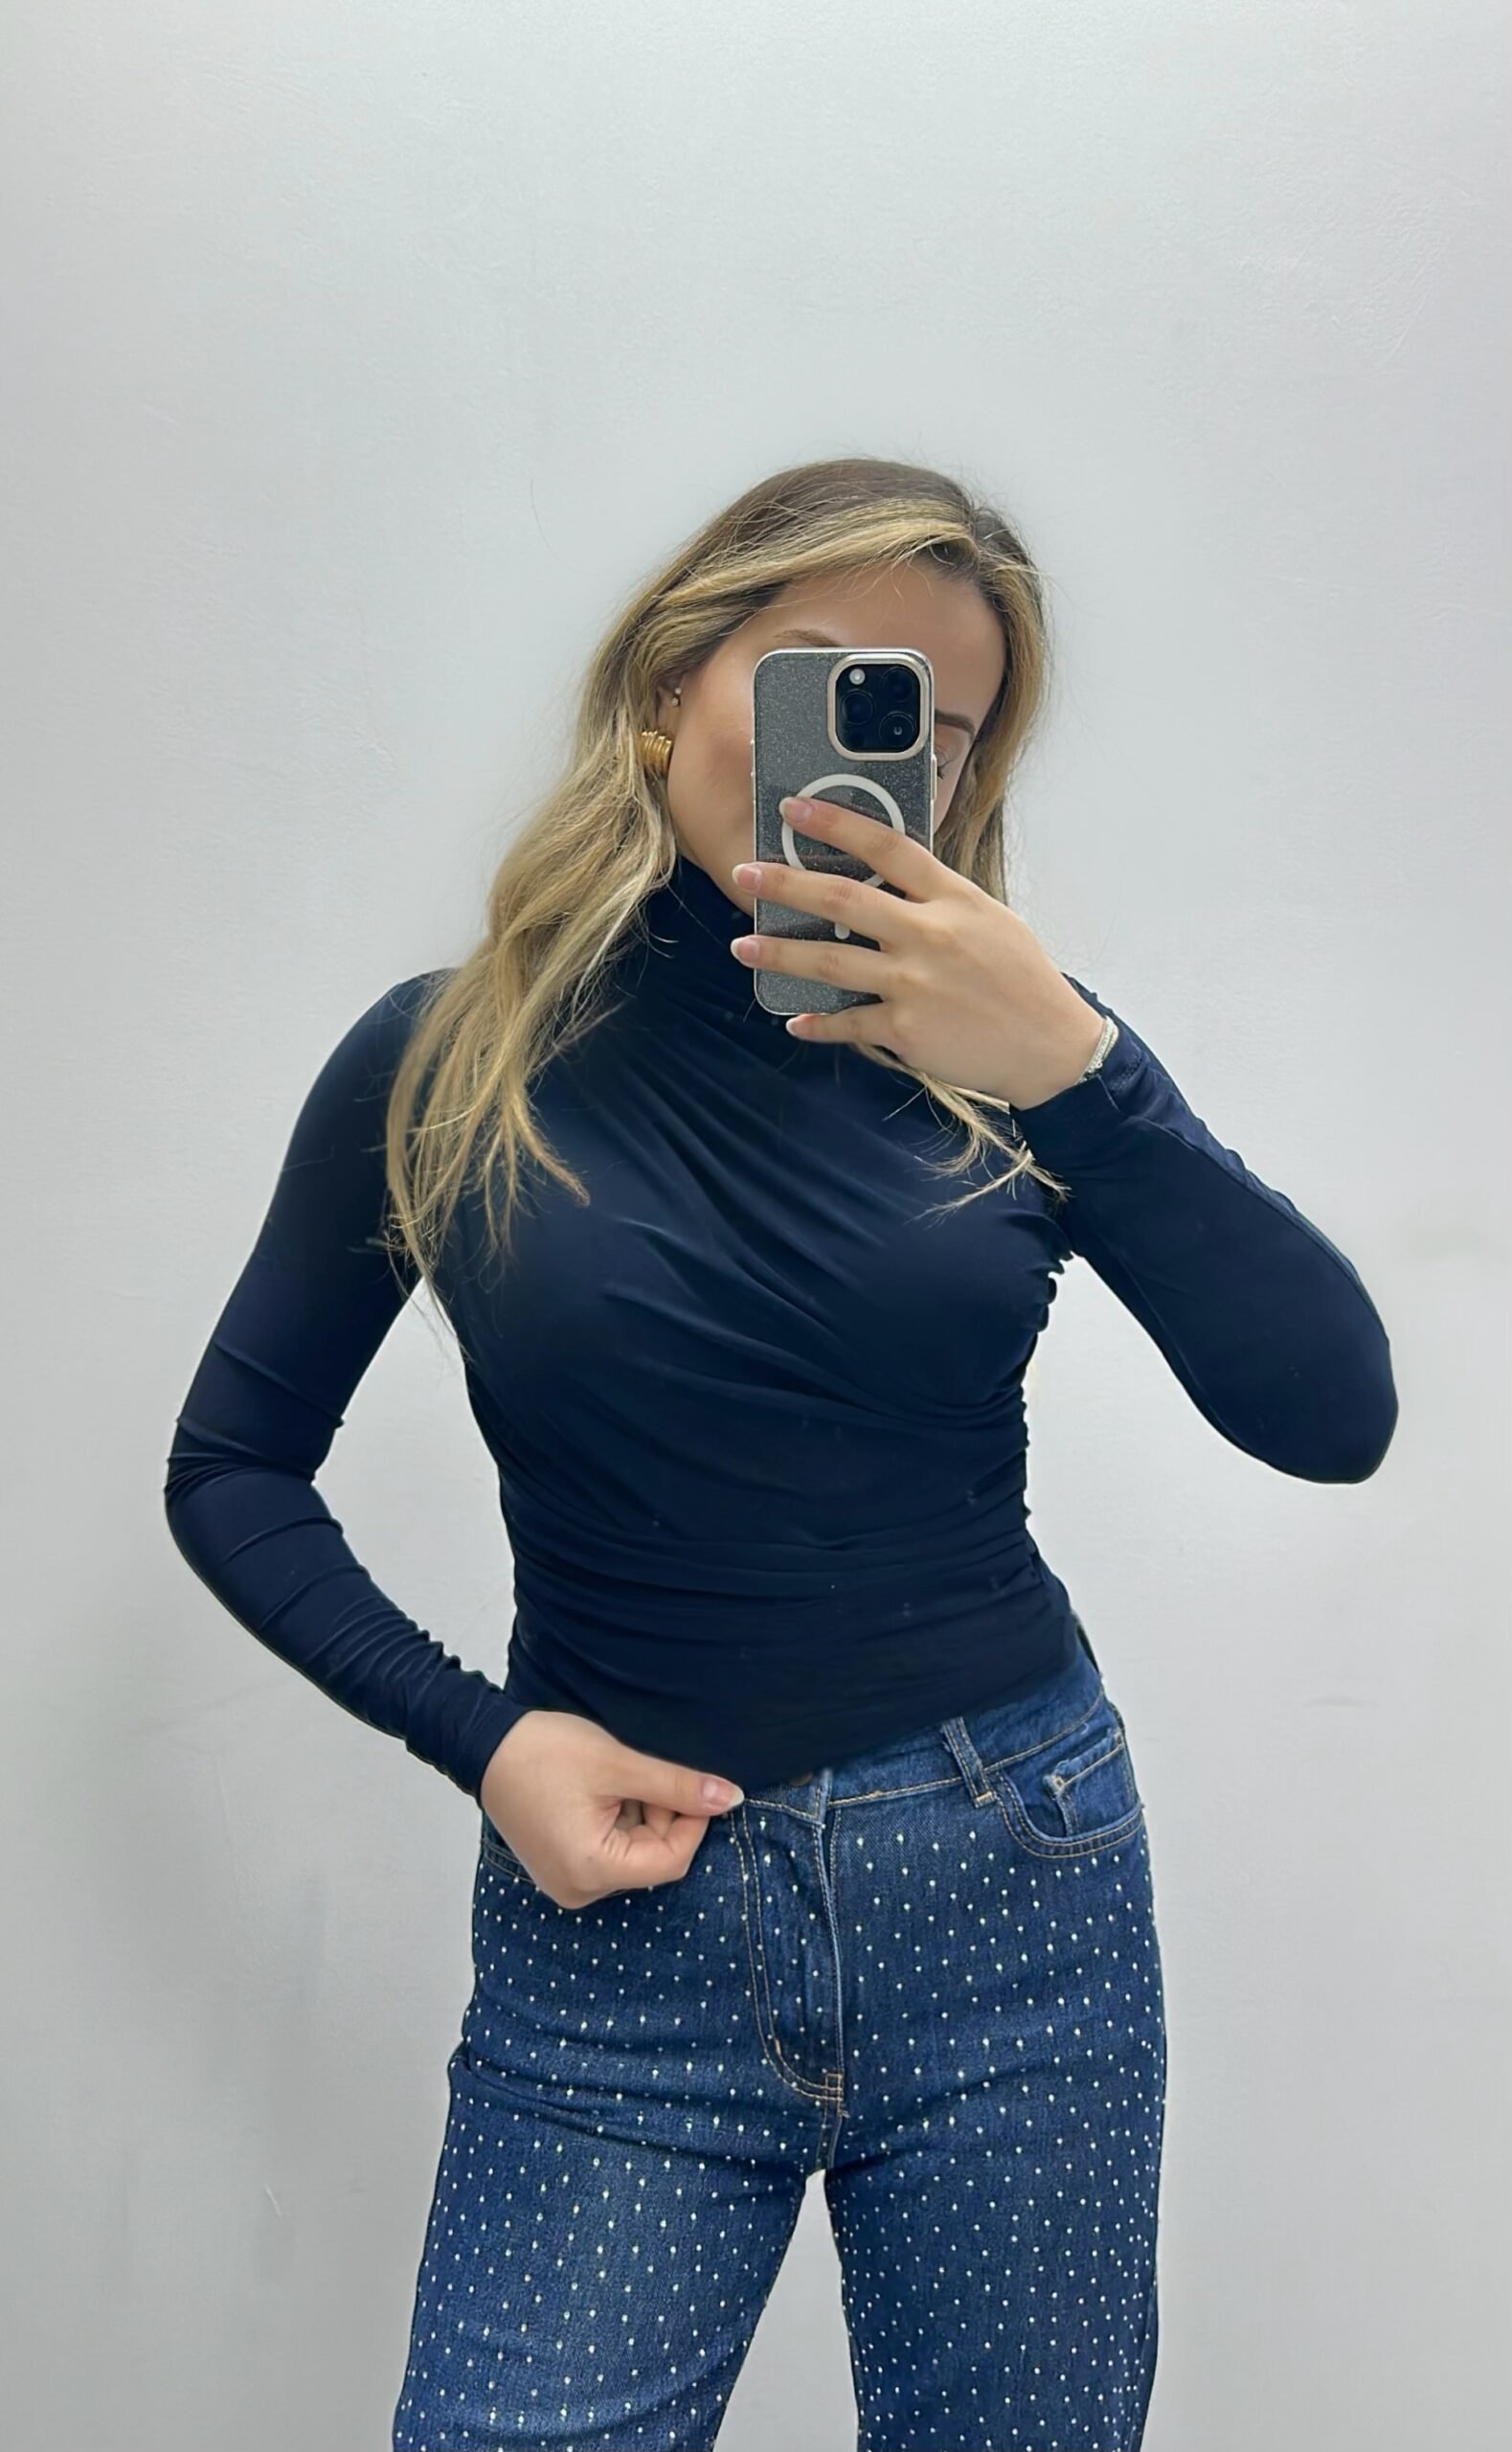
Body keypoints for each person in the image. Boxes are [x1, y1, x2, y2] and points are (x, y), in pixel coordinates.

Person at [164, 457, 1398, 2452]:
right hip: (616, 1936)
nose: (873, 747)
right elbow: (233, 1464)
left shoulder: (1019, 1061)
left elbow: (1333, 1412)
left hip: (1015, 1889)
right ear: (668, 686)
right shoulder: (444, 1056)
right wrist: (485, 1739)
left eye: (939, 723)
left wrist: (1082, 1071)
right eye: (823, 675)